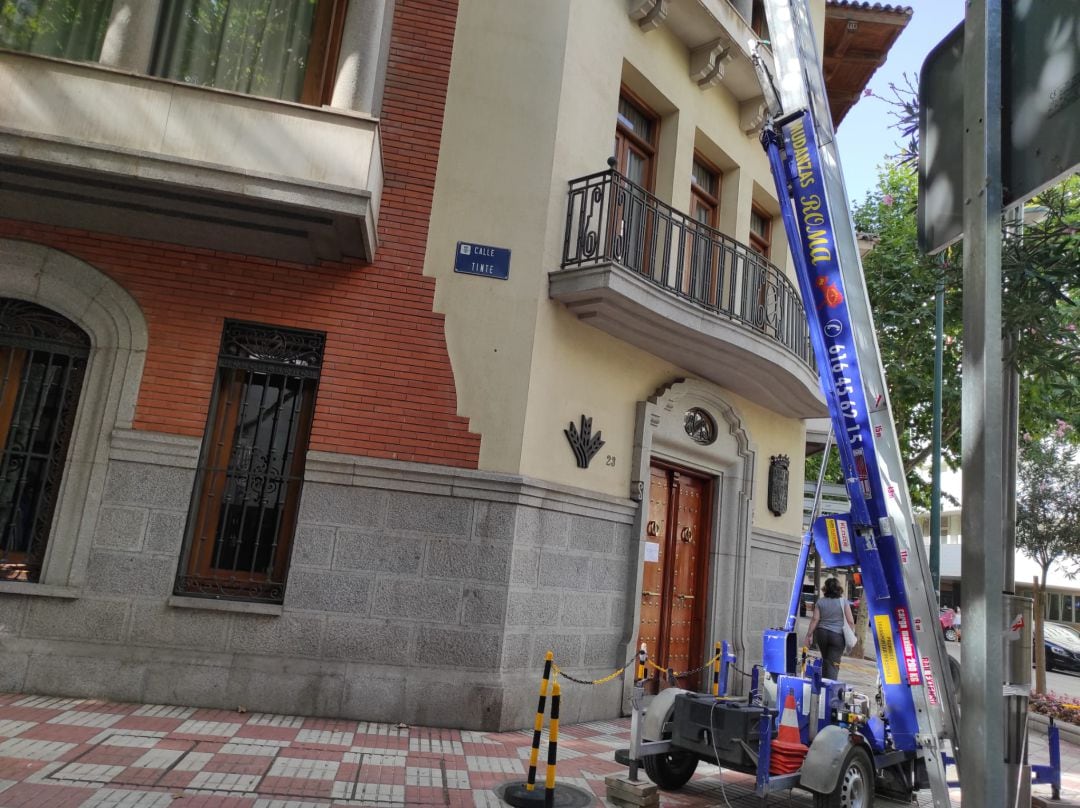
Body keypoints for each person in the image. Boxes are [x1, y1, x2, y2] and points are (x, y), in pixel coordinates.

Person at [804, 577, 855, 679]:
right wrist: (851, 633)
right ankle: (830, 690)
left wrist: (809, 635)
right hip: (837, 636)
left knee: (826, 660)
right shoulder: (843, 602)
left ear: (825, 589)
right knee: (833, 664)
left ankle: (823, 685)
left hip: (821, 634)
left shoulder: (820, 602)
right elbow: (850, 621)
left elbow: (815, 619)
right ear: (838, 588)